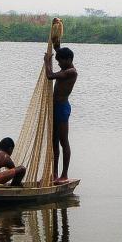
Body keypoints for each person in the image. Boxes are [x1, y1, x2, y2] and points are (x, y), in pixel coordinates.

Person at [45, 37, 78, 184]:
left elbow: (50, 76)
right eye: (57, 61)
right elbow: (61, 53)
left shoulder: (71, 71)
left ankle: (64, 175)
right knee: (54, 141)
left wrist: (47, 62)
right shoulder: (65, 66)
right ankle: (55, 174)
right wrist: (57, 46)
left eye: (60, 61)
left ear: (68, 59)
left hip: (62, 108)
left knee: (64, 141)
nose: (58, 63)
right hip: (55, 107)